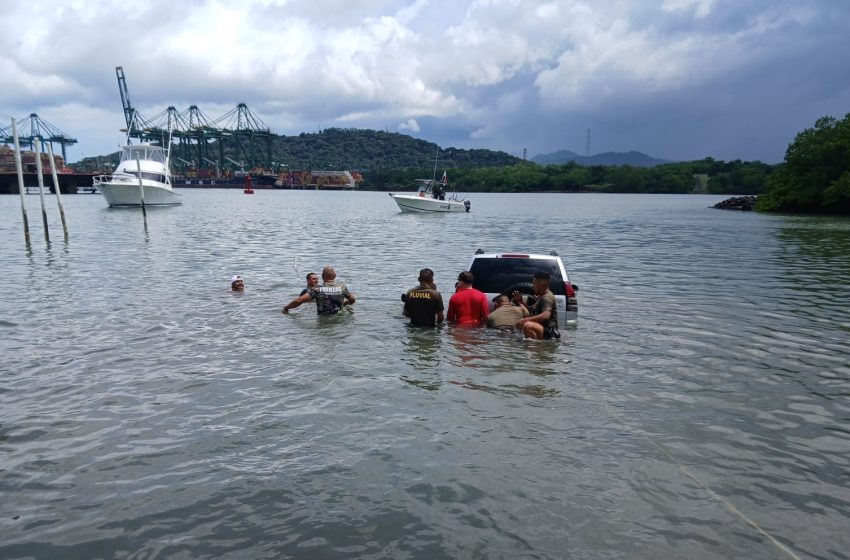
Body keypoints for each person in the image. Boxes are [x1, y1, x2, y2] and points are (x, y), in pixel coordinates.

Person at [283, 266, 355, 315]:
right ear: (335, 276)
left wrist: (286, 308)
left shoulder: (317, 289)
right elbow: (352, 300)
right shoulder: (342, 287)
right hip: (339, 318)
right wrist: (345, 304)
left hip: (324, 320)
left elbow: (298, 301)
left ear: (322, 276)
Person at [515, 272, 560, 340]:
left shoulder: (547, 297)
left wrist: (525, 320)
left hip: (550, 332)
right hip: (542, 329)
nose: (532, 286)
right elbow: (532, 311)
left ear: (541, 283)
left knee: (528, 325)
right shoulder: (541, 296)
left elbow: (546, 315)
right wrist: (519, 302)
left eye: (534, 283)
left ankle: (535, 348)